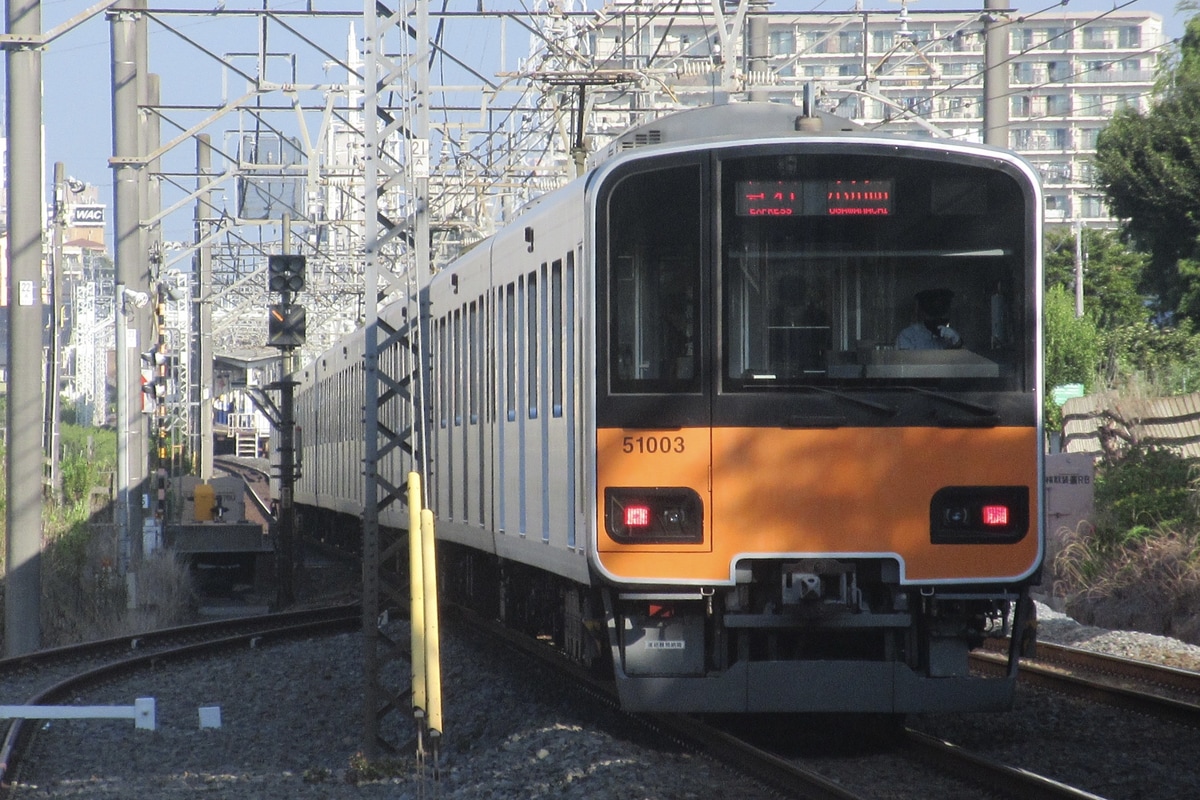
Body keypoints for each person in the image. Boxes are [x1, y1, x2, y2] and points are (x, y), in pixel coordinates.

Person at [895, 288, 962, 350]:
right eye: (931, 314)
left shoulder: (950, 335)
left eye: (941, 314)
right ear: (922, 312)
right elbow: (905, 360)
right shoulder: (908, 335)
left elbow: (965, 358)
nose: (936, 319)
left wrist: (958, 342)